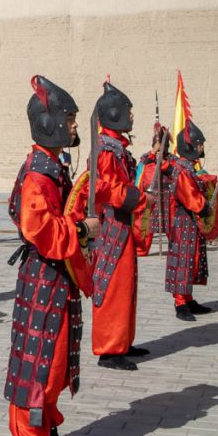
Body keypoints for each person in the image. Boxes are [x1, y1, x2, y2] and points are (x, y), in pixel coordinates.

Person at [5, 75, 99, 436]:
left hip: (59, 275)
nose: (74, 127)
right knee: (38, 362)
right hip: (43, 275)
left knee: (56, 359)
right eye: (71, 120)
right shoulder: (38, 173)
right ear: (51, 122)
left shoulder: (53, 166)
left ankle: (48, 432)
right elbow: (37, 227)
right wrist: (81, 230)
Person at [90, 82, 152, 371]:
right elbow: (110, 190)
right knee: (113, 286)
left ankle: (123, 340)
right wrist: (142, 198)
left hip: (123, 223)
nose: (132, 116)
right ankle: (109, 348)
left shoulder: (117, 148)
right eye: (129, 110)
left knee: (126, 285)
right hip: (111, 226)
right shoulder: (105, 150)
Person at [166, 121, 214, 321]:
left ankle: (188, 298)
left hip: (190, 222)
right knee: (182, 262)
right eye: (199, 144)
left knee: (191, 261)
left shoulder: (188, 168)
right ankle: (180, 303)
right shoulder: (183, 171)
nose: (202, 147)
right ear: (191, 145)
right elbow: (191, 198)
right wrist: (205, 207)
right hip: (182, 222)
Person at [134, 125, 173, 257]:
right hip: (150, 197)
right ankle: (142, 249)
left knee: (171, 226)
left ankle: (174, 247)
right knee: (146, 225)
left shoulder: (172, 159)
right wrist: (153, 153)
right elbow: (140, 171)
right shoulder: (146, 158)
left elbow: (176, 173)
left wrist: (164, 164)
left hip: (167, 199)